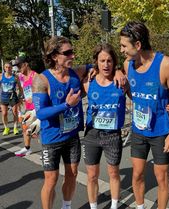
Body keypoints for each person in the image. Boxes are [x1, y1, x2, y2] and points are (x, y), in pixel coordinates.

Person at [120, 21, 169, 209]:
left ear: (137, 45)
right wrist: (125, 88)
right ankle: (140, 206)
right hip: (139, 130)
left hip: (160, 131)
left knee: (162, 177)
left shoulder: (166, 64)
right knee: (137, 173)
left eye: (124, 46)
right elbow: (135, 94)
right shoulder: (127, 65)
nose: (121, 50)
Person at [32, 36, 92, 209]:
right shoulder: (41, 80)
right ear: (54, 56)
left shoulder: (76, 73)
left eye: (72, 51)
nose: (72, 56)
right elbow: (41, 113)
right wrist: (66, 105)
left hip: (72, 137)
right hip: (52, 139)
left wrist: (117, 71)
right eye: (67, 53)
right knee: (51, 180)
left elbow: (94, 65)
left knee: (72, 174)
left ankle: (66, 206)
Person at [81, 43, 127, 209]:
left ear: (114, 62)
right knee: (92, 175)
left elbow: (140, 98)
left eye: (109, 61)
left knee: (114, 173)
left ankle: (114, 206)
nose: (106, 65)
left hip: (112, 135)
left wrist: (167, 105)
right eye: (102, 61)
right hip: (91, 135)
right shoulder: (88, 81)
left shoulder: (122, 82)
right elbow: (68, 73)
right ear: (96, 62)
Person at [13, 56, 38, 156]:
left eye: (19, 66)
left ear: (26, 64)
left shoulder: (35, 75)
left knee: (36, 129)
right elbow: (24, 90)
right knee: (25, 127)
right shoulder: (22, 77)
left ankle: (47, 151)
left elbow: (43, 90)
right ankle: (27, 148)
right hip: (28, 107)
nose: (18, 69)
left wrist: (35, 97)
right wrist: (22, 97)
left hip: (37, 107)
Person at [0, 62, 22, 135]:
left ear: (11, 68)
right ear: (4, 68)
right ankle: (6, 128)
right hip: (3, 97)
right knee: (4, 113)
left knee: (15, 112)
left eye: (9, 67)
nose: (8, 69)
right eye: (6, 67)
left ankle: (15, 128)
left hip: (13, 97)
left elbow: (20, 88)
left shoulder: (15, 77)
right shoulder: (1, 76)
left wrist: (19, 97)